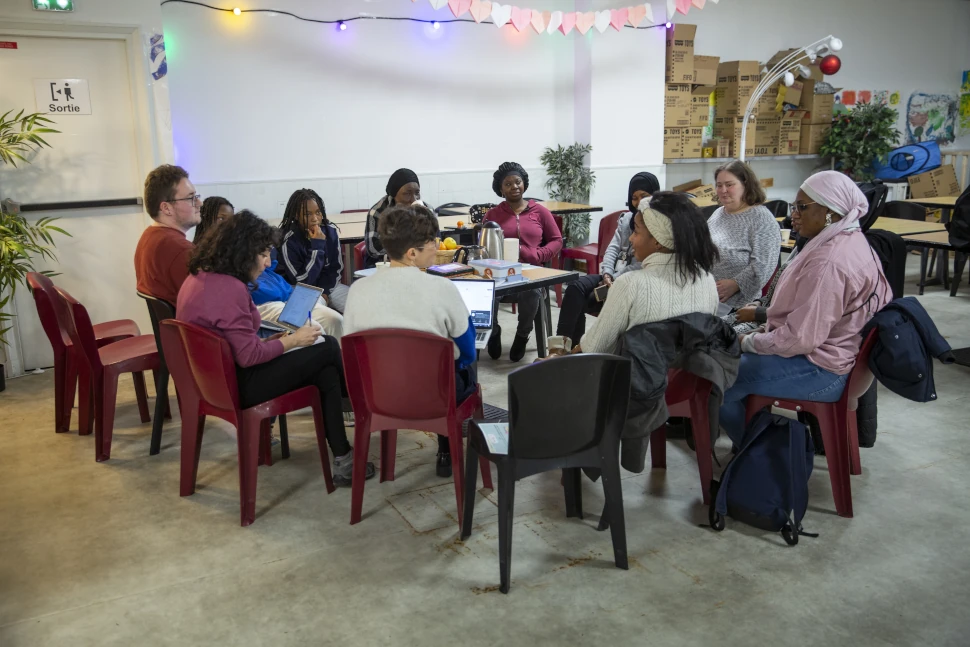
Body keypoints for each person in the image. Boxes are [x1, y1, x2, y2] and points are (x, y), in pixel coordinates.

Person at [176, 210, 375, 486]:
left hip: (213, 382)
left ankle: (345, 459)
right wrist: (292, 340)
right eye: (264, 255)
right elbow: (249, 357)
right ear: (243, 252)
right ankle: (362, 403)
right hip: (239, 385)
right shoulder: (231, 288)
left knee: (327, 373)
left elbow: (236, 343)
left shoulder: (198, 277)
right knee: (328, 346)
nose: (268, 262)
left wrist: (274, 340)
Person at [718, 171, 893, 445]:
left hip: (821, 369)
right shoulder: (848, 240)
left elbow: (799, 339)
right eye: (793, 206)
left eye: (801, 207)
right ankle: (762, 446)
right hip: (831, 356)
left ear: (830, 212)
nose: (793, 215)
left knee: (715, 377)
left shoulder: (829, 263)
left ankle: (762, 454)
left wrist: (747, 342)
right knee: (723, 362)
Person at [343, 204, 477, 479]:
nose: (437, 245)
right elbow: (468, 350)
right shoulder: (442, 288)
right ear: (412, 253)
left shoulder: (357, 290)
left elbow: (351, 350)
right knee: (465, 367)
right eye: (432, 241)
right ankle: (447, 449)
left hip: (377, 397)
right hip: (435, 399)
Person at [572, 192, 720, 355]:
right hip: (687, 379)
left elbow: (594, 348)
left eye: (636, 232)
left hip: (634, 379)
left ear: (658, 240)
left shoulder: (630, 284)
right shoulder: (707, 280)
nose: (630, 239)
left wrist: (561, 356)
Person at [193, 195, 344, 338]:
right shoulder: (210, 256)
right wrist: (317, 247)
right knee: (316, 330)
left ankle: (343, 364)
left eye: (230, 219)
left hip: (289, 296)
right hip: (267, 303)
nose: (227, 224)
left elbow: (333, 269)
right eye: (221, 219)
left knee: (335, 320)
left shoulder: (239, 246)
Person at [556, 171, 660, 347]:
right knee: (575, 289)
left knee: (586, 300)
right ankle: (561, 346)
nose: (639, 201)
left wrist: (615, 280)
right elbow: (612, 248)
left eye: (644, 196)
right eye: (634, 197)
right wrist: (606, 274)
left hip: (633, 282)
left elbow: (643, 264)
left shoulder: (658, 224)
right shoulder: (627, 219)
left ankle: (576, 351)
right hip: (612, 277)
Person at [483, 162, 563, 362]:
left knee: (532, 290)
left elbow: (557, 241)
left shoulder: (540, 211)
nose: (514, 187)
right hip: (500, 272)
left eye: (517, 182)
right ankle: (493, 331)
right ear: (500, 189)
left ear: (524, 184)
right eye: (508, 184)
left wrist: (540, 255)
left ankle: (522, 334)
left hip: (531, 272)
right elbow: (483, 247)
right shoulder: (492, 215)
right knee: (486, 291)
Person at [706, 160, 780, 310]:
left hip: (739, 307)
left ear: (745, 185)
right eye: (719, 185)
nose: (723, 190)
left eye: (729, 184)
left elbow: (763, 265)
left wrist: (736, 284)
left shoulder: (761, 219)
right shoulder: (717, 214)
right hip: (707, 299)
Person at [134, 164, 201, 305]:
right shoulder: (181, 250)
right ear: (166, 208)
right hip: (190, 327)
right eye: (191, 198)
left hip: (171, 326)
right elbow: (207, 306)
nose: (199, 203)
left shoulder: (148, 236)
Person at [275, 188, 350, 313]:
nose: (315, 218)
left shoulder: (330, 231)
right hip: (300, 290)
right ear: (296, 216)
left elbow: (335, 269)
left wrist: (325, 292)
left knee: (358, 305)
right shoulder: (288, 240)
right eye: (307, 214)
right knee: (322, 314)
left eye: (318, 212)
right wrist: (317, 247)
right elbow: (302, 281)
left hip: (329, 287)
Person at [363, 168, 435, 268]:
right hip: (385, 265)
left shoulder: (427, 211)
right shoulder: (377, 212)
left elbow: (435, 242)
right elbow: (373, 249)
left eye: (417, 193)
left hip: (418, 264)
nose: (414, 199)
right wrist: (405, 254)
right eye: (407, 194)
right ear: (393, 195)